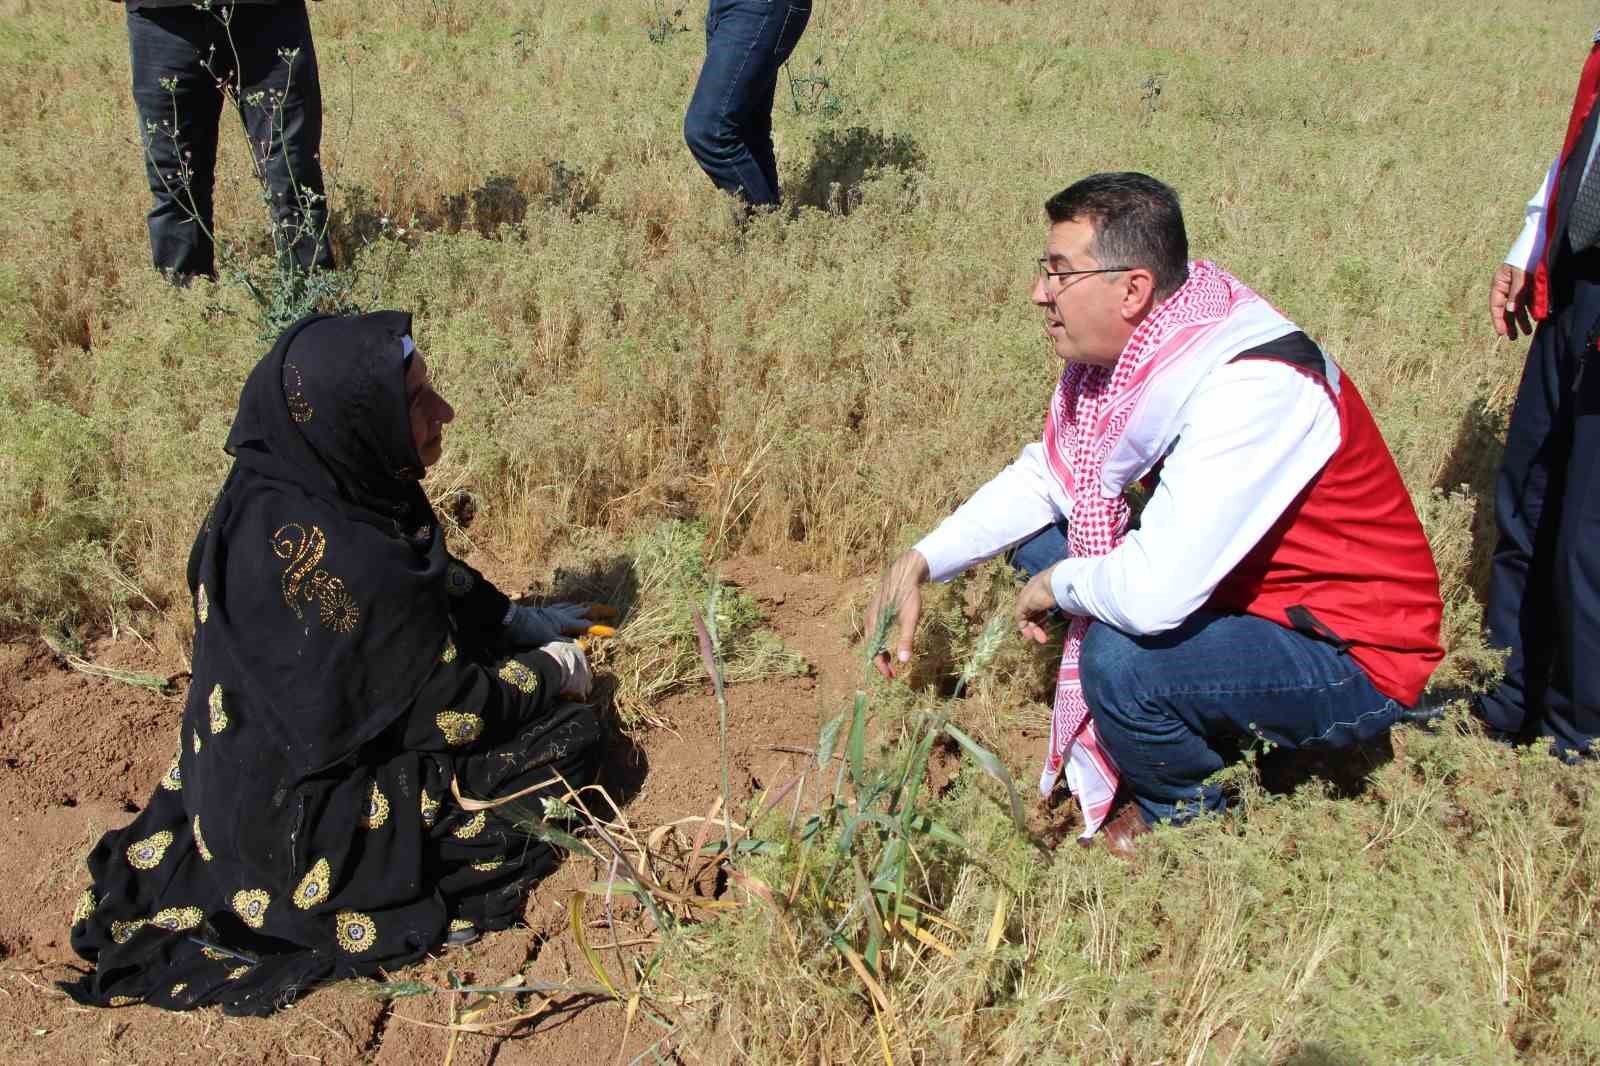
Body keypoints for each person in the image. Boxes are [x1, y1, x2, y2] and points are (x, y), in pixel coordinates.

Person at [866, 173, 1444, 854]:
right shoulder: (1155, 346)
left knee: (1122, 661)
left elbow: (1152, 596)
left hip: (1345, 650)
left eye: (1058, 273)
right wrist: (921, 560)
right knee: (1038, 539)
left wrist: (1058, 585)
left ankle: (1184, 814)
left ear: (1133, 290)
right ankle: (1196, 713)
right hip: (1245, 594)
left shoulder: (1253, 387)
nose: (1039, 293)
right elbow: (1045, 479)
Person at [62, 312, 608, 1015]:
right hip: (304, 838)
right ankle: (383, 889)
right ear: (357, 421)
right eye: (416, 400)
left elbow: (424, 578)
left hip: (224, 792)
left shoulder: (273, 489)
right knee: (569, 740)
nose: (444, 411)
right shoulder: (359, 569)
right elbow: (458, 709)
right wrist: (554, 670)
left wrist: (512, 619)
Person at [1479, 30, 1600, 759]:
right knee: (1529, 496)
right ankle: (1506, 697)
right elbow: (1587, 135)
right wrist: (1533, 241)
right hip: (1576, 280)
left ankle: (1578, 733)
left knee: (1591, 533)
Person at [113, 0, 334, 282]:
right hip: (161, 19)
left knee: (293, 177)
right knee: (176, 188)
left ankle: (310, 301)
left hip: (270, 15)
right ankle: (187, 304)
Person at [682, 0, 811, 210]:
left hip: (759, 8)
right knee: (746, 131)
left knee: (710, 130)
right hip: (729, 9)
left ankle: (767, 226)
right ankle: (769, 223)